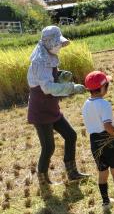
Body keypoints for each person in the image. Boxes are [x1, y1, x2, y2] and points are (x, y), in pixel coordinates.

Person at [27, 26, 89, 184]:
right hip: (41, 110)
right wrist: (71, 88)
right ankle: (43, 179)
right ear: (48, 43)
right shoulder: (40, 61)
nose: (59, 46)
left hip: (50, 107)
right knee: (48, 148)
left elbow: (50, 77)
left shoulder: (48, 55)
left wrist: (60, 74)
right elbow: (47, 87)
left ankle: (72, 172)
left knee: (71, 135)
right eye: (57, 43)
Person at [82, 71, 114, 210]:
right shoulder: (104, 104)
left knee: (102, 172)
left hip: (95, 141)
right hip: (109, 140)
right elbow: (107, 126)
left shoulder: (86, 104)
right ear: (102, 88)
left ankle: (105, 202)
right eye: (107, 85)